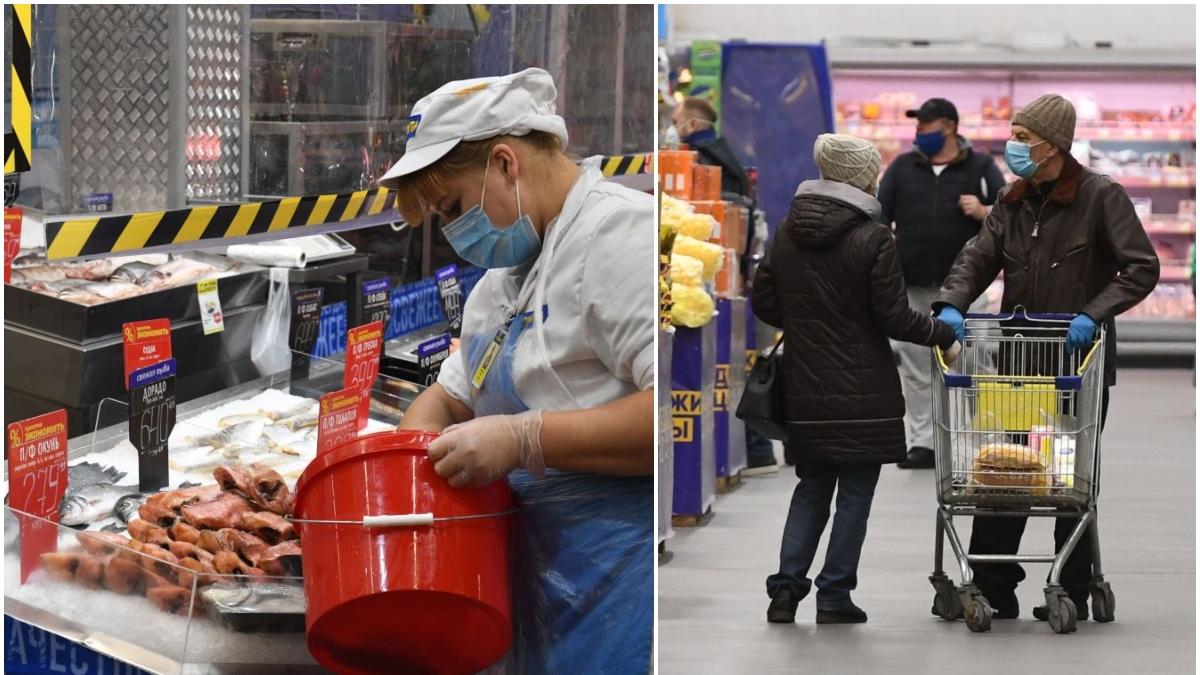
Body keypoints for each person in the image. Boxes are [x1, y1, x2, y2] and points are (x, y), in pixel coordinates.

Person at [381, 68, 655, 672]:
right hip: (537, 584)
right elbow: (452, 398)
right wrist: (402, 471)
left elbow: (668, 416)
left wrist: (521, 437)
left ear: (506, 163)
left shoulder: (620, 235)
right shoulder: (505, 278)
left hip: (616, 586)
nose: (453, 234)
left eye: (452, 207)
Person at [934, 94, 1159, 621]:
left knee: (1069, 478)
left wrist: (1093, 313)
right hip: (1018, 362)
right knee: (1004, 473)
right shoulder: (1012, 203)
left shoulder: (1102, 198)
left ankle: (1070, 587)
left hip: (1077, 365)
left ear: (1052, 145)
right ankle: (993, 584)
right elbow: (976, 259)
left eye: (1020, 136)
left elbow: (1140, 268)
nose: (1012, 146)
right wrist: (950, 304)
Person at [753, 133, 958, 624]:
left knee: (810, 487)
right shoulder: (872, 238)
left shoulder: (786, 230)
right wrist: (941, 332)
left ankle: (785, 592)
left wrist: (807, 319)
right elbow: (892, 317)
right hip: (863, 390)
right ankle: (833, 596)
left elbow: (765, 302)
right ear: (865, 177)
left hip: (804, 386)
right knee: (855, 496)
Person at [879, 98, 1007, 469]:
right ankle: (923, 442)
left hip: (968, 291)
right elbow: (880, 216)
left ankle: (987, 442)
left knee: (976, 365)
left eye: (926, 127)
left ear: (949, 126)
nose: (919, 133)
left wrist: (983, 211)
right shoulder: (903, 167)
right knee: (917, 367)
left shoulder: (981, 167)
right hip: (914, 285)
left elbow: (1007, 216)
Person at [671, 96, 779, 474]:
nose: (672, 129)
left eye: (675, 121)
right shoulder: (726, 155)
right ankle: (758, 449)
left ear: (691, 124)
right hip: (733, 277)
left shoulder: (702, 159)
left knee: (734, 373)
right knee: (741, 369)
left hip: (715, 276)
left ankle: (758, 447)